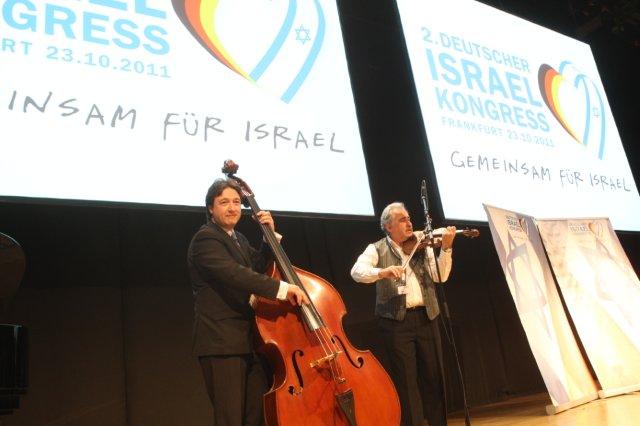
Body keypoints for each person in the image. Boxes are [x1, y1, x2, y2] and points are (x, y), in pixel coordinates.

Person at [188, 178, 307, 426]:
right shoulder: (205, 239)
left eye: (236, 202)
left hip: (250, 341)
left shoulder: (238, 238)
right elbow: (237, 274)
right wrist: (283, 288)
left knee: (256, 416)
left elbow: (258, 265)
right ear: (210, 208)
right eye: (224, 202)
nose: (232, 208)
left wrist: (268, 236)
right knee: (231, 418)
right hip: (221, 343)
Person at [350, 202, 456, 426]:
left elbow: (441, 276)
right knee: (406, 383)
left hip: (427, 317)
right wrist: (382, 272)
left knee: (434, 378)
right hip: (396, 324)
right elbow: (357, 272)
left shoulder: (421, 244)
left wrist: (446, 249)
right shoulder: (376, 248)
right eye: (402, 220)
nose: (409, 223)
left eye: (409, 218)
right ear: (388, 226)